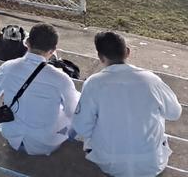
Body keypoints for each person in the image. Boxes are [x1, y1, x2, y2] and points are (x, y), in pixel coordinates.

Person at [73, 31, 181, 177]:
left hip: (109, 164)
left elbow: (81, 127)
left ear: (100, 57)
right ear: (127, 52)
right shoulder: (151, 80)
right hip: (152, 164)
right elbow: (174, 113)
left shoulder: (93, 83)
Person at [0, 23, 80, 156]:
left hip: (13, 137)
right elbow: (72, 111)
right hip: (45, 144)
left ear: (27, 43)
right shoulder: (61, 79)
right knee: (77, 105)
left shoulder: (8, 67)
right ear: (53, 51)